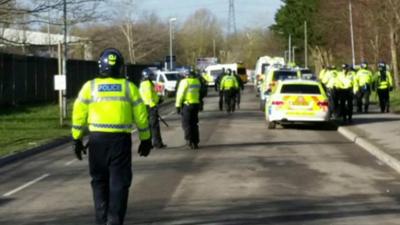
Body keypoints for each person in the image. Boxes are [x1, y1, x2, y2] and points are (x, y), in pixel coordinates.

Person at [71, 48, 152, 225]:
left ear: (101, 65)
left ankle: (101, 220)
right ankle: (114, 220)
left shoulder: (89, 87)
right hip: (120, 142)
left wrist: (76, 138)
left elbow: (78, 113)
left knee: (99, 181)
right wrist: (146, 139)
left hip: (97, 141)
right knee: (119, 183)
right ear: (120, 67)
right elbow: (141, 115)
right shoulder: (129, 88)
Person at [176, 70, 203, 149]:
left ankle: (189, 141)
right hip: (196, 104)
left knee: (186, 124)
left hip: (187, 105)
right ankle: (195, 142)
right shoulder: (197, 81)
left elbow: (180, 94)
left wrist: (177, 105)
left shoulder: (184, 82)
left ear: (186, 75)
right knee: (194, 124)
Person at [139, 70, 167, 149]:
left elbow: (154, 93)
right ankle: (157, 143)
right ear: (146, 76)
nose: (152, 76)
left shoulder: (148, 83)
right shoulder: (146, 84)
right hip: (149, 106)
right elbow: (148, 96)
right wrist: (153, 106)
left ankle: (150, 143)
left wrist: (159, 99)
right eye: (151, 75)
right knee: (154, 126)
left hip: (148, 106)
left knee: (149, 126)